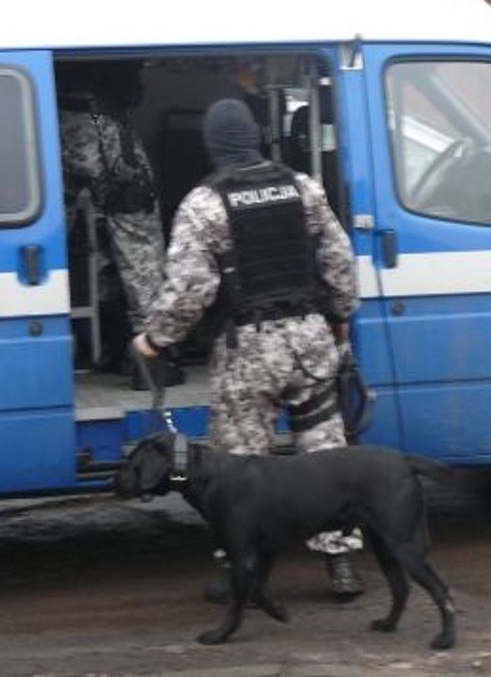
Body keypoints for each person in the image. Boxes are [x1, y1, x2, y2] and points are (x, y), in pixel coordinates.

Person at [131, 97, 365, 599]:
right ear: (256, 138)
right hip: (309, 340)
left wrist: (156, 340)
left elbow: (190, 289)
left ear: (213, 146)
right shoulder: (304, 188)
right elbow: (340, 261)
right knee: (326, 455)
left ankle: (240, 570)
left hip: (249, 353)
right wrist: (341, 316)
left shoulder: (204, 204)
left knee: (239, 467)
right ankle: (341, 563)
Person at [58, 61, 180, 388]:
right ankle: (150, 359)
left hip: (50, 123)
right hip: (102, 124)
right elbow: (129, 90)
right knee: (138, 238)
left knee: (50, 238)